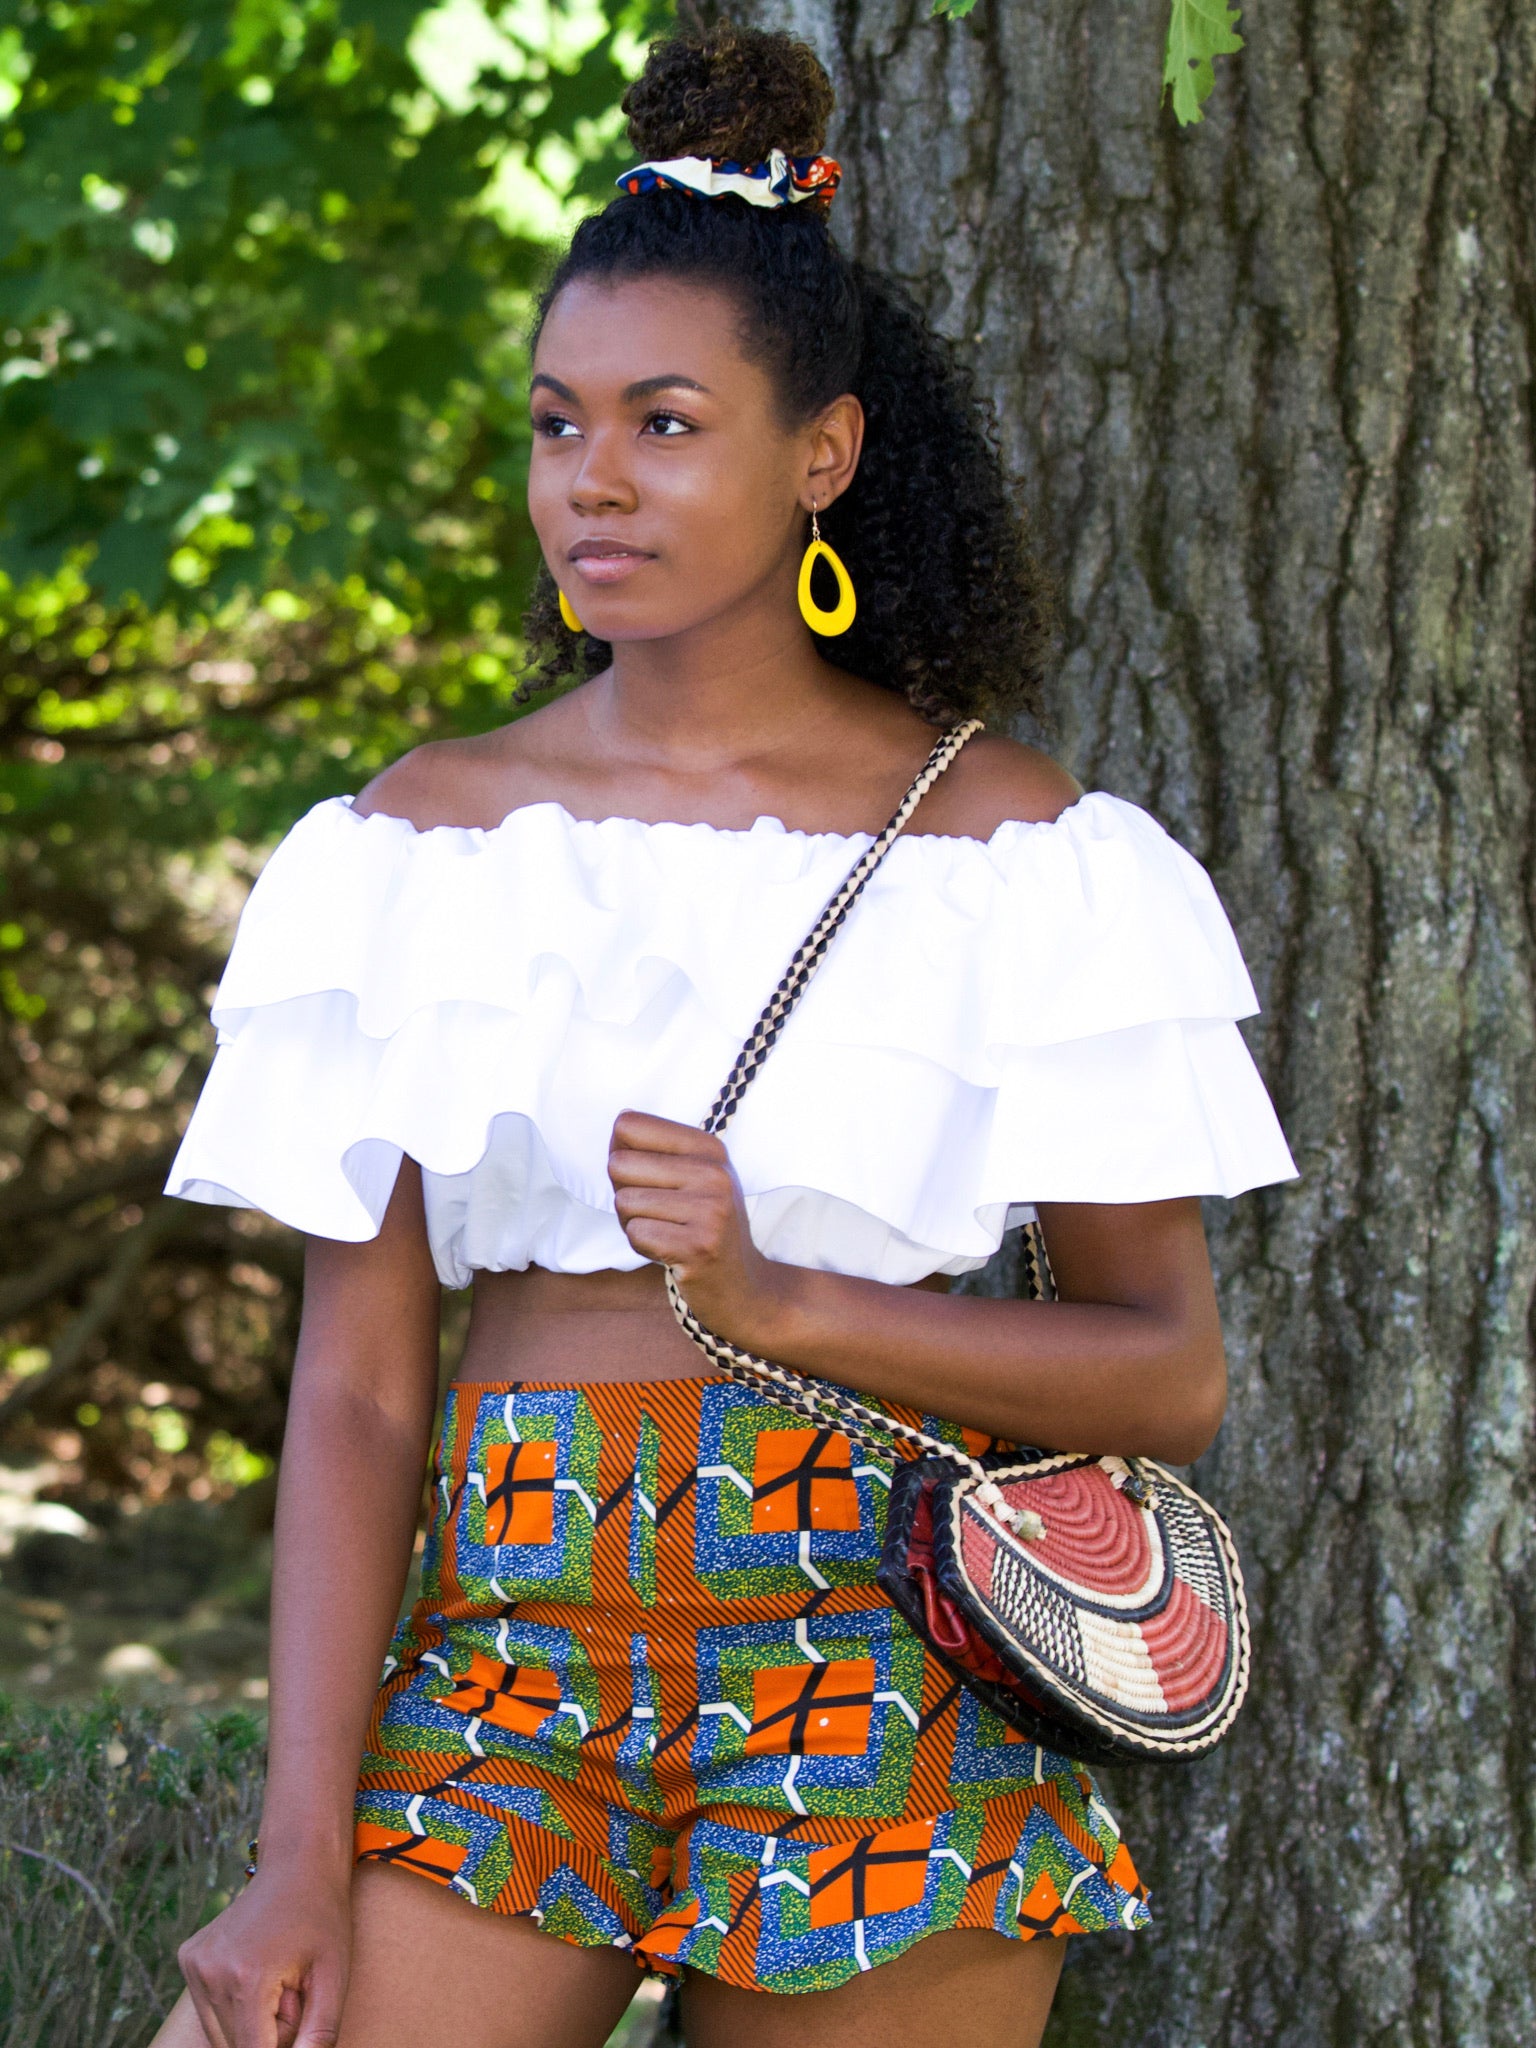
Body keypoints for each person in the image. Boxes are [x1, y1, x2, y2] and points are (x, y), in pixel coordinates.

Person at [151, 24, 1296, 2048]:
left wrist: (773, 1293)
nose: (591, 479)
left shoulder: (1023, 854)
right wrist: (294, 1847)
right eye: (555, 422)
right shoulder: (417, 846)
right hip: (511, 1653)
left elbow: (1165, 1370)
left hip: (878, 1640)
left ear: (822, 456)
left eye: (666, 423)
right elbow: (353, 1393)